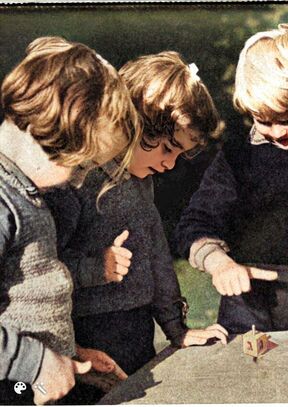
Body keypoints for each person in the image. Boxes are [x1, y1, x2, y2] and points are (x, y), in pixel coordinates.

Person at [43, 51, 228, 394]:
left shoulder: (141, 180)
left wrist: (177, 328)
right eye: (167, 148)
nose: (170, 164)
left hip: (137, 329)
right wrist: (96, 268)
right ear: (136, 123)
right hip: (81, 336)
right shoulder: (77, 179)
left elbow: (156, 253)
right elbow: (38, 271)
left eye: (179, 154)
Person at [174, 24, 288, 335]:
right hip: (245, 305)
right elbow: (196, 220)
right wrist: (217, 261)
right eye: (264, 121)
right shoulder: (237, 155)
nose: (278, 132)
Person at [0, 36, 140, 405]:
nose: (78, 180)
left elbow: (23, 299)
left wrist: (69, 354)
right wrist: (33, 362)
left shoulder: (24, 193)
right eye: (78, 165)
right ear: (45, 132)